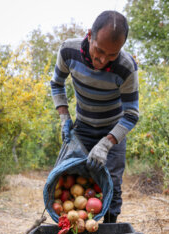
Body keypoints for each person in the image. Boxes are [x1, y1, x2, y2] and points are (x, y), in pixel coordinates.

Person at [50, 11, 139, 223]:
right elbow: (56, 84)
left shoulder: (126, 68)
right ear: (90, 35)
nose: (102, 60)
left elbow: (131, 115)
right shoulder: (68, 52)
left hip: (112, 131)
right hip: (83, 127)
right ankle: (73, 227)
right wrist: (64, 116)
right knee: (71, 178)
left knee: (113, 184)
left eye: (112, 55)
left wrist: (106, 144)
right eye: (99, 51)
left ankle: (108, 233)